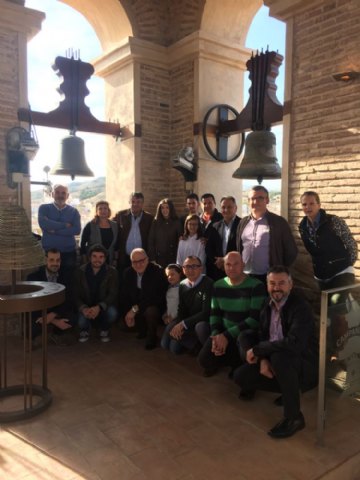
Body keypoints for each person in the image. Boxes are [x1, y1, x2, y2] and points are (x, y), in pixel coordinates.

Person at [234, 266, 318, 439]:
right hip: (274, 358)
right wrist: (263, 360)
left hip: (303, 365)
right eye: (272, 283)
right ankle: (287, 389)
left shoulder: (300, 307)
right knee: (241, 373)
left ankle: (294, 418)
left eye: (281, 283)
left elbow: (294, 344)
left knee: (280, 356)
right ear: (267, 285)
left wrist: (259, 350)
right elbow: (262, 335)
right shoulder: (267, 303)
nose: (277, 287)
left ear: (290, 284)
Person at [299, 190, 358, 354]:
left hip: (342, 272)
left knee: (336, 307)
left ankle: (338, 352)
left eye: (312, 203)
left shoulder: (334, 221)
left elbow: (351, 244)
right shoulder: (302, 227)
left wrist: (346, 265)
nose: (308, 207)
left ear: (319, 204)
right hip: (321, 276)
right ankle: (328, 348)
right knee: (326, 312)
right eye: (304, 204)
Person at [198, 251, 267, 377]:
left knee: (243, 344)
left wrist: (226, 336)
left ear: (243, 265)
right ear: (223, 266)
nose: (231, 268)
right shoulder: (218, 285)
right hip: (225, 332)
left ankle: (245, 374)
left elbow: (254, 320)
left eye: (236, 264)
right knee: (204, 360)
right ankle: (234, 362)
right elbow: (215, 314)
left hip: (246, 334)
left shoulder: (257, 286)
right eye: (228, 264)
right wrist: (216, 336)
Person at [236, 185, 298, 284]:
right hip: (245, 276)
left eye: (260, 198)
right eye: (252, 198)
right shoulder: (243, 222)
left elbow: (291, 251)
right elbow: (239, 248)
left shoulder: (279, 222)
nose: (255, 202)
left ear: (267, 200)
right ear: (248, 201)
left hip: (268, 278)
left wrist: (279, 269)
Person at [161, 256, 213, 354]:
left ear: (201, 268)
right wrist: (179, 325)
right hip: (188, 322)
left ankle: (207, 351)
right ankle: (196, 345)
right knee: (170, 340)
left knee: (200, 327)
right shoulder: (182, 284)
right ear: (183, 270)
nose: (190, 270)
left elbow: (206, 312)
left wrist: (182, 324)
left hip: (203, 323)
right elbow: (182, 308)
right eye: (187, 267)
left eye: (194, 266)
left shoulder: (208, 283)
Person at [121, 248, 168, 349]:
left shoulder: (157, 272)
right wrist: (128, 313)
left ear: (147, 259)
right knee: (123, 326)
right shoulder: (127, 273)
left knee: (151, 311)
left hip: (154, 304)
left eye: (141, 261)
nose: (138, 265)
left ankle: (152, 337)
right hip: (137, 303)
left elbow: (154, 298)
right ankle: (141, 329)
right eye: (134, 262)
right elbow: (124, 296)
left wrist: (134, 310)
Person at [27, 248, 75, 346]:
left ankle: (56, 334)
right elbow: (34, 303)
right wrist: (54, 321)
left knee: (73, 319)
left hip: (57, 310)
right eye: (51, 260)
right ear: (45, 260)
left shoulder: (66, 275)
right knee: (31, 328)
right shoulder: (33, 277)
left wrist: (53, 315)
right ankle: (40, 336)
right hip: (41, 312)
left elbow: (69, 298)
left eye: (58, 260)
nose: (55, 263)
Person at [75, 244, 119, 343]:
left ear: (105, 258)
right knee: (81, 322)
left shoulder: (112, 272)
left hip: (103, 305)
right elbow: (75, 294)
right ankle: (85, 329)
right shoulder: (80, 271)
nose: (97, 260)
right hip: (86, 305)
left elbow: (113, 294)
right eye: (94, 256)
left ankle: (104, 329)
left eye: (101, 257)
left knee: (113, 314)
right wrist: (83, 308)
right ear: (89, 257)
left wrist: (99, 307)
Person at [38, 184, 81, 272]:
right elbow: (44, 224)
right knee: (47, 281)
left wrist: (54, 231)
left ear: (67, 196)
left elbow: (77, 230)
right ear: (52, 194)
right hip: (48, 252)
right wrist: (65, 225)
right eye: (57, 192)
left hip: (68, 252)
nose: (60, 195)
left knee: (68, 280)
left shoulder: (74, 212)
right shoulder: (44, 208)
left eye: (63, 193)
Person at [113, 192, 154, 274]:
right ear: (129, 202)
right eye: (133, 202)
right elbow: (109, 226)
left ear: (142, 203)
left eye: (138, 202)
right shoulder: (121, 215)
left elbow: (153, 237)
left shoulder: (149, 218)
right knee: (124, 281)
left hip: (141, 259)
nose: (135, 204)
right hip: (124, 258)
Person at [206, 196, 240, 280]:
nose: (226, 210)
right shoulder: (215, 226)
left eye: (229, 207)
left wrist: (226, 260)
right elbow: (209, 248)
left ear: (235, 208)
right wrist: (218, 262)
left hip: (236, 269)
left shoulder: (242, 225)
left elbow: (244, 248)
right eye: (223, 207)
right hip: (218, 270)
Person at [80, 200, 118, 265]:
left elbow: (117, 244)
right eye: (100, 209)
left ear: (108, 211)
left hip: (110, 260)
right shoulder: (90, 225)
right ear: (96, 212)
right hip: (94, 260)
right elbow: (82, 243)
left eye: (105, 208)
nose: (103, 211)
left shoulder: (115, 225)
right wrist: (85, 260)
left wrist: (115, 259)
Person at [148, 198, 182, 268]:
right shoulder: (155, 222)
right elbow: (151, 241)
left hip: (173, 258)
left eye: (167, 207)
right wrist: (152, 258)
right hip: (159, 259)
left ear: (171, 209)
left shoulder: (177, 222)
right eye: (162, 208)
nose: (164, 210)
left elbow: (180, 241)